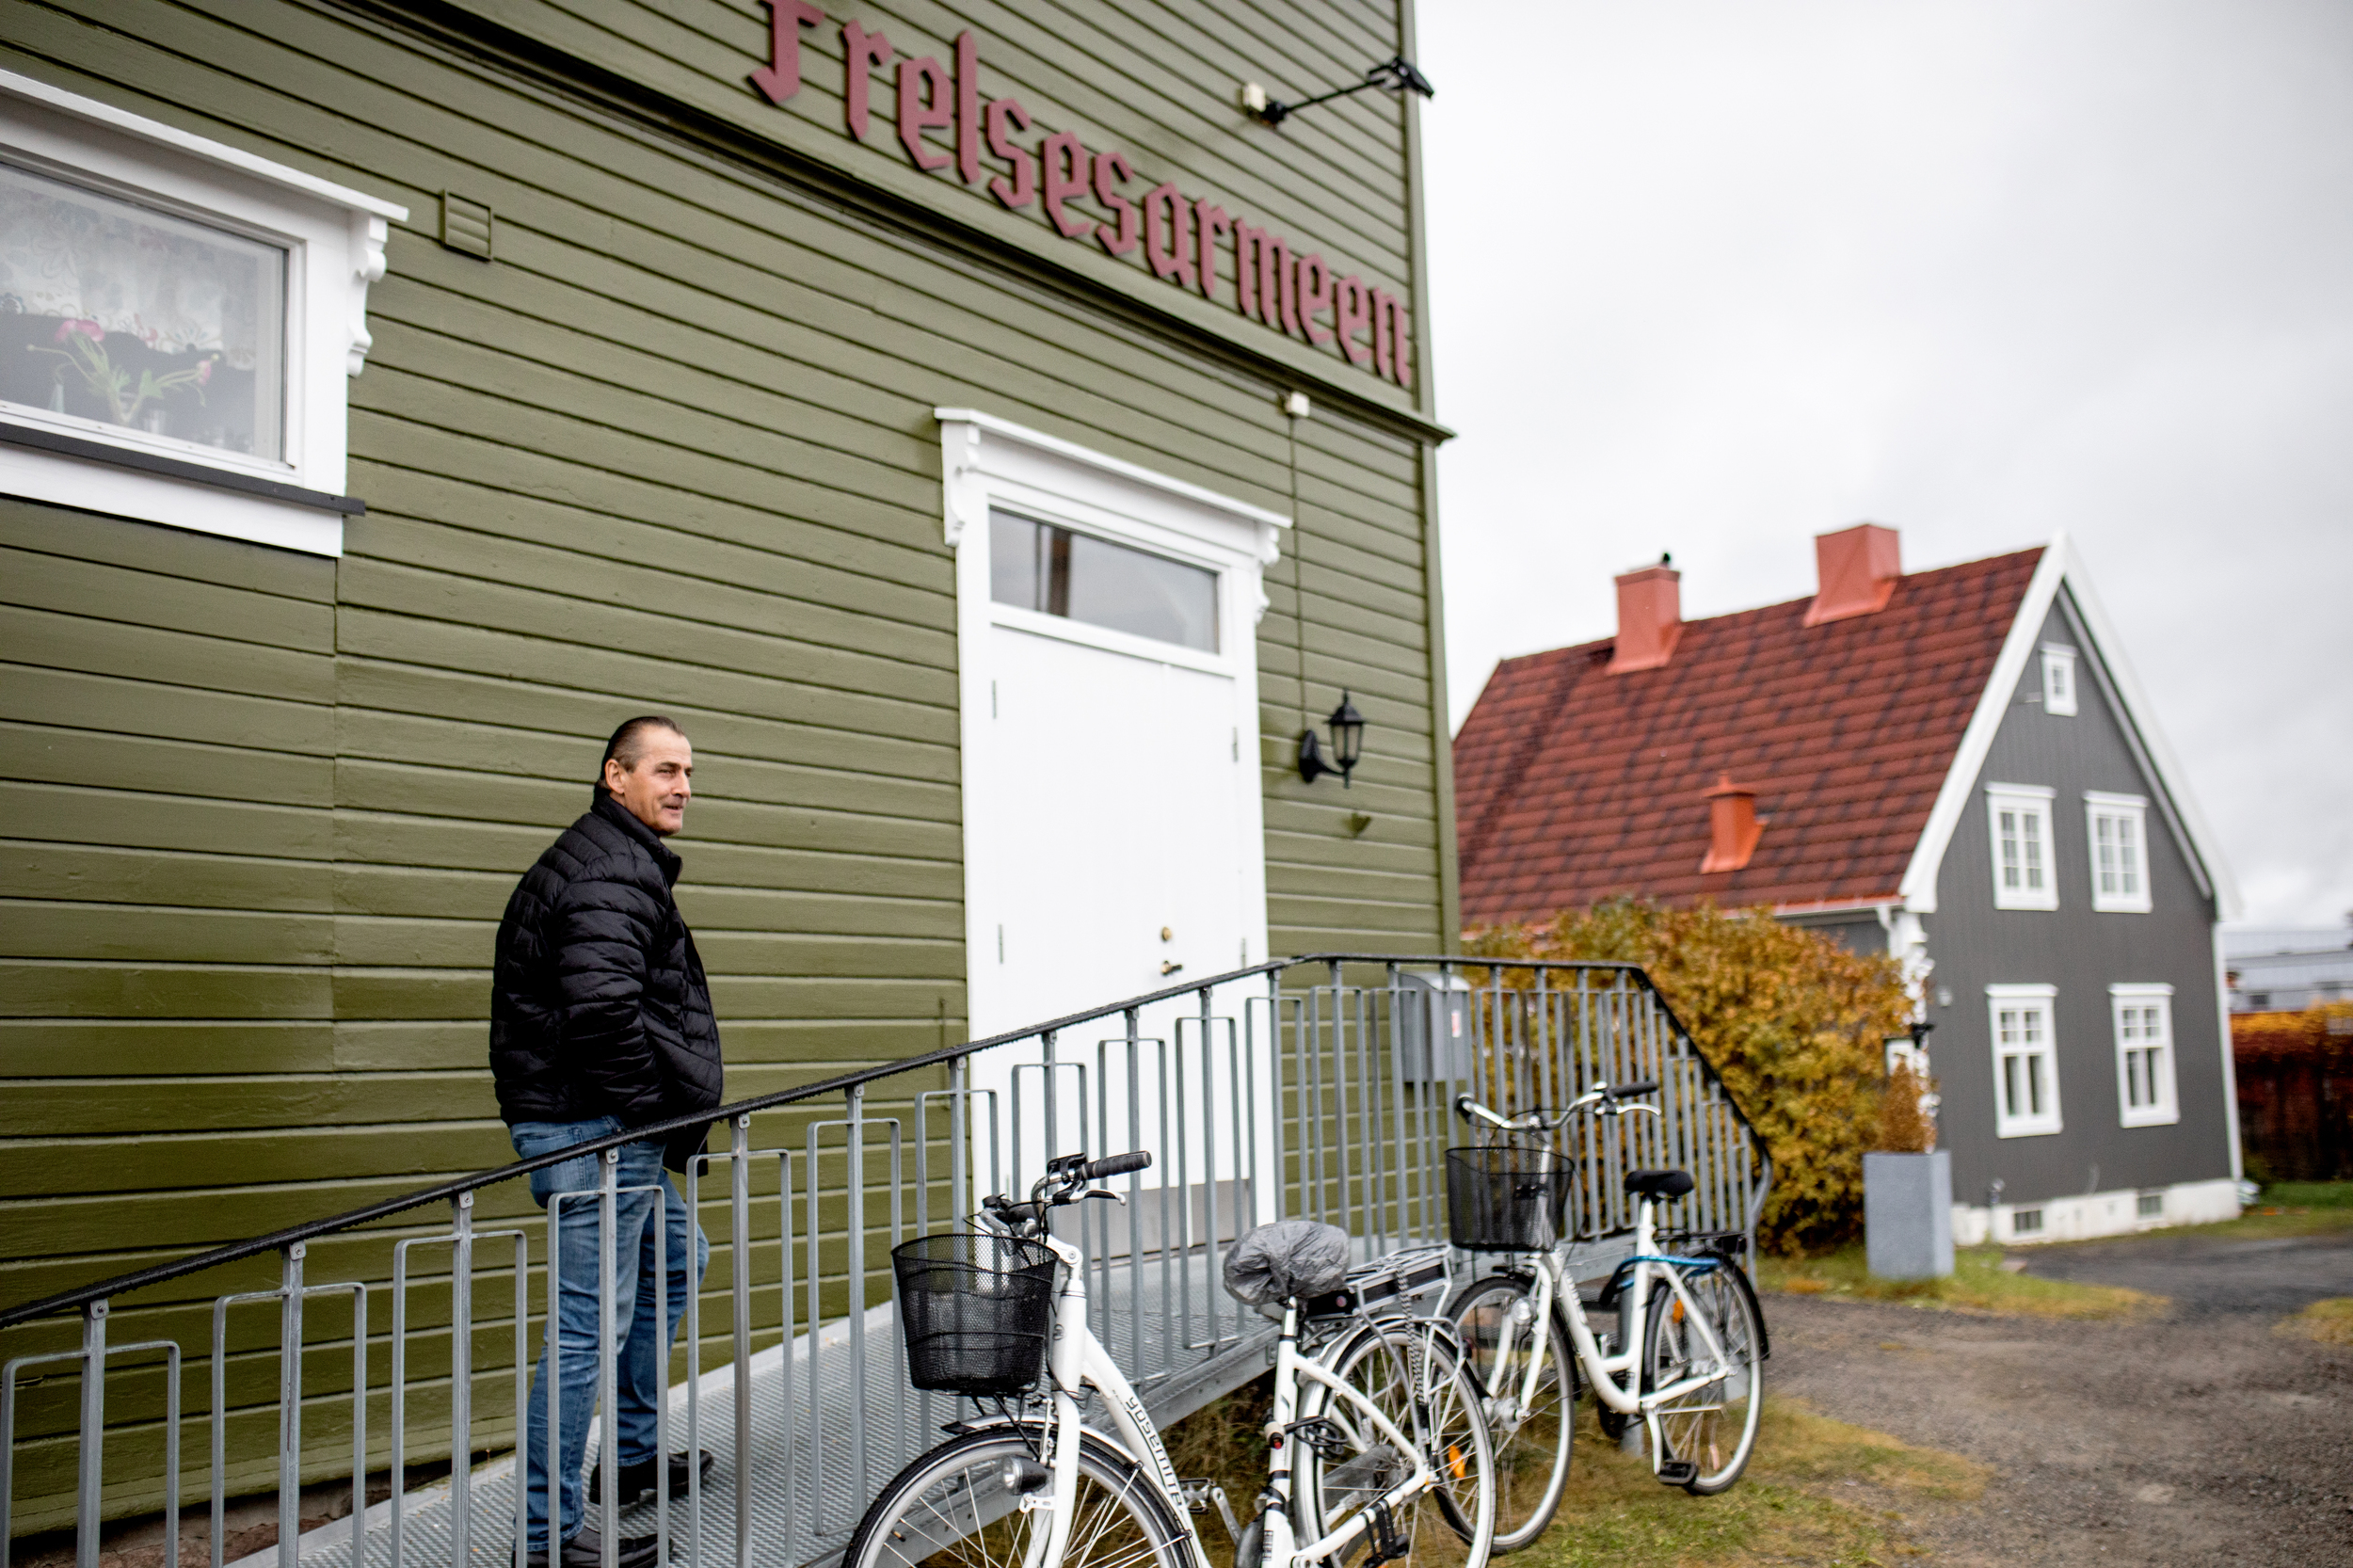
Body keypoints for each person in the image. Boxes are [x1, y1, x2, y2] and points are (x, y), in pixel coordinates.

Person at [491, 716, 725, 1568]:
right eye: (665, 769)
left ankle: (628, 1463)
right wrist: (644, 1120)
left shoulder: (613, 862)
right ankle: (547, 1545)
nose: (684, 786)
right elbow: (601, 1015)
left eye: (689, 772)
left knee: (676, 1258)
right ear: (613, 775)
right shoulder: (610, 873)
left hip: (596, 1127)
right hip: (597, 1133)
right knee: (585, 1331)